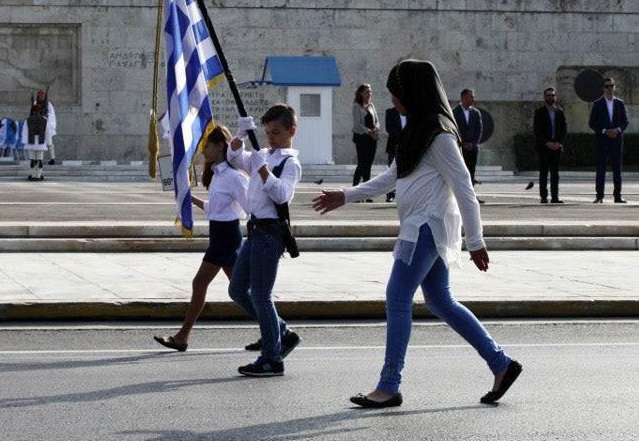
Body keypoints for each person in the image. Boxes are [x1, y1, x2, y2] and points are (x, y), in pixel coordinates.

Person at [312, 60, 521, 408]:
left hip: (426, 226)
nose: (393, 99)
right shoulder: (418, 129)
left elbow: (464, 188)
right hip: (423, 226)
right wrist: (344, 196)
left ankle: (389, 384)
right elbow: (393, 176)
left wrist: (476, 241)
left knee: (397, 298)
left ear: (412, 92)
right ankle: (500, 364)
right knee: (440, 300)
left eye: (396, 93)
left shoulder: (438, 134)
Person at [154, 124, 248, 351]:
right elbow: (213, 208)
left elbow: (250, 209)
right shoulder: (217, 176)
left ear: (220, 146)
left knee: (199, 283)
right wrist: (188, 197)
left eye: (206, 145)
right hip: (219, 234)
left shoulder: (234, 177)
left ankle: (182, 336)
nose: (203, 150)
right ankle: (276, 329)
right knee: (243, 291)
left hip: (226, 236)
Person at [227, 104, 302, 377]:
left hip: (270, 234)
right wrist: (240, 135)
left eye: (277, 132)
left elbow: (282, 195)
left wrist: (262, 171)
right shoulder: (264, 154)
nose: (270, 138)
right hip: (255, 230)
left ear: (291, 131)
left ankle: (272, 358)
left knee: (260, 295)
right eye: (268, 132)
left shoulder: (289, 162)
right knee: (237, 290)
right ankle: (282, 332)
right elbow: (234, 157)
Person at [589, 77, 629, 203]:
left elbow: (625, 122)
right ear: (603, 88)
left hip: (616, 139)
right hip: (602, 140)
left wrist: (617, 130)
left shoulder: (620, 103)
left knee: (617, 168)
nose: (609, 88)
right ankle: (599, 196)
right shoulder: (597, 104)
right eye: (607, 86)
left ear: (614, 87)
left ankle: (617, 195)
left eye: (611, 86)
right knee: (601, 168)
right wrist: (604, 131)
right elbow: (592, 123)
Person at [533, 87, 567, 204]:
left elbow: (564, 129)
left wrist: (559, 143)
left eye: (552, 95)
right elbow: (537, 130)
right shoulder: (539, 112)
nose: (550, 97)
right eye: (548, 95)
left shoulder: (560, 112)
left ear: (555, 97)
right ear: (544, 97)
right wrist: (547, 142)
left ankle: (555, 197)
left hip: (556, 147)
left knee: (555, 174)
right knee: (543, 173)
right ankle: (543, 196)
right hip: (544, 147)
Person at [452, 88, 484, 203]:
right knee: (460, 172)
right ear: (464, 97)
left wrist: (473, 143)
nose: (473, 99)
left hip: (472, 148)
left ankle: (470, 195)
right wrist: (463, 144)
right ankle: (458, 196)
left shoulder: (475, 113)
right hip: (460, 148)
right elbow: (453, 130)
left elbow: (479, 130)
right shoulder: (454, 112)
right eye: (471, 96)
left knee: (471, 172)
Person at [351, 84, 380, 201]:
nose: (369, 94)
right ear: (361, 93)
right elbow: (357, 124)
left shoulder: (371, 106)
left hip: (372, 139)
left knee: (368, 166)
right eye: (367, 92)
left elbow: (377, 121)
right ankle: (355, 192)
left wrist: (375, 130)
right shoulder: (356, 106)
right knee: (362, 164)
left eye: (370, 92)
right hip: (362, 138)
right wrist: (369, 132)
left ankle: (366, 194)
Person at [22, 102, 53, 181]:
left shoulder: (28, 120)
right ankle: (38, 175)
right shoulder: (44, 120)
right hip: (41, 142)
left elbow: (25, 132)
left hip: (31, 142)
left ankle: (33, 175)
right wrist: (49, 143)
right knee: (39, 160)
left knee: (32, 160)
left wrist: (25, 142)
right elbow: (47, 132)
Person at [384, 106, 406, 202]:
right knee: (392, 172)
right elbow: (389, 128)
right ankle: (390, 194)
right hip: (394, 146)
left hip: (408, 146)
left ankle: (404, 194)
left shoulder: (410, 112)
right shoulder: (390, 112)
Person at [34, 90, 58, 165]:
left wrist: (47, 116)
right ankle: (39, 159)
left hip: (46, 124)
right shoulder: (35, 103)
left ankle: (52, 158)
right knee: (39, 142)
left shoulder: (48, 104)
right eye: (40, 96)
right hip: (38, 125)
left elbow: (51, 113)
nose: (41, 97)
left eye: (42, 96)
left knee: (49, 142)